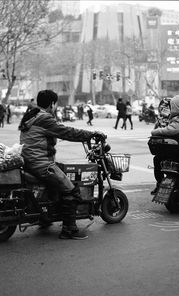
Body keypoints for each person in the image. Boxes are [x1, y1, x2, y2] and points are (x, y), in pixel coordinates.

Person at [18, 90, 106, 239]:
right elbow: (66, 131)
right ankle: (69, 230)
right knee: (71, 190)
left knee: (61, 173)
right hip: (40, 163)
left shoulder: (33, 115)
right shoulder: (44, 118)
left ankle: (45, 218)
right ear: (52, 104)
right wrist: (91, 134)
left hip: (29, 161)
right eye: (55, 103)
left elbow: (50, 134)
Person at [151, 94, 179, 202]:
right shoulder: (175, 117)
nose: (171, 107)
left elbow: (170, 130)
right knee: (157, 159)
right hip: (177, 148)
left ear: (177, 106)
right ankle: (160, 183)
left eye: (173, 105)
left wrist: (155, 132)